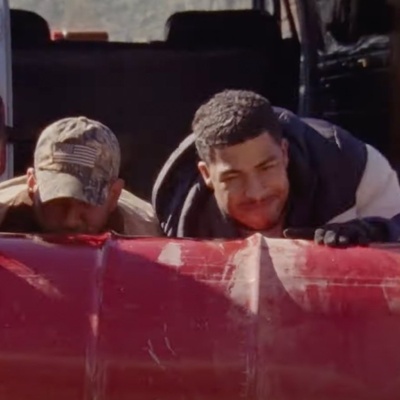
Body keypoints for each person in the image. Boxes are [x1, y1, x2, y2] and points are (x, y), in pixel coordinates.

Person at [153, 89, 400, 246]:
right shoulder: (175, 216)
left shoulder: (355, 169)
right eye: (233, 177)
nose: (256, 192)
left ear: (284, 153)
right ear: (206, 175)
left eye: (266, 167)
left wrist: (377, 233)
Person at [0, 116, 161, 235]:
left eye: (86, 202)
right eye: (58, 200)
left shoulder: (147, 233)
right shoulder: (3, 214)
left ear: (114, 195)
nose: (70, 221)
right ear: (32, 184)